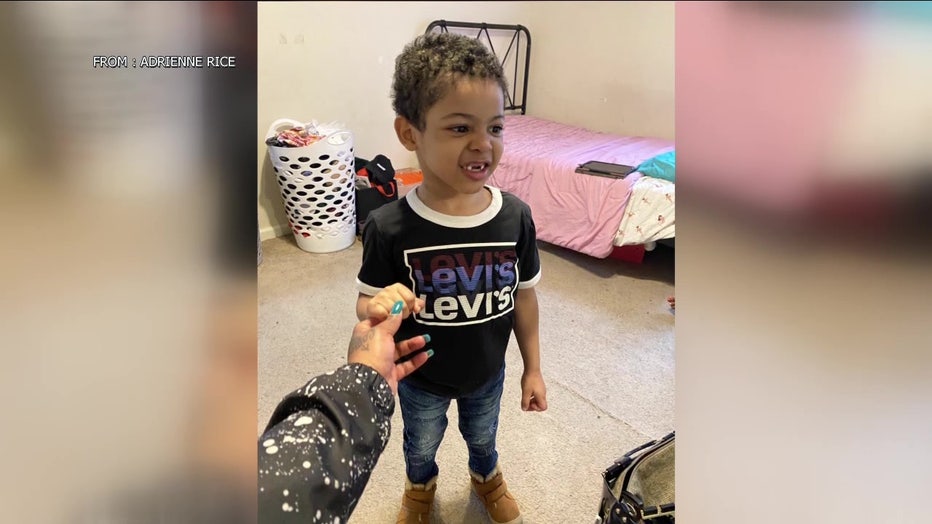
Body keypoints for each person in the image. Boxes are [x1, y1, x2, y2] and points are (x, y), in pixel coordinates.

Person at [355, 32, 548, 524]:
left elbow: (525, 298)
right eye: (460, 127)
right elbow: (368, 304)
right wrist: (380, 307)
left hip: (488, 372)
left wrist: (533, 368)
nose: (483, 144)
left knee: (483, 436)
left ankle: (487, 475)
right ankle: (420, 487)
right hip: (421, 377)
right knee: (420, 443)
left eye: (496, 127)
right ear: (409, 133)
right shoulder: (387, 226)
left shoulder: (516, 217)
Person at [258, 301, 433, 523]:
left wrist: (366, 382)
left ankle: (479, 473)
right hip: (421, 383)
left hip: (479, 378)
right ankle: (419, 486)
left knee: (476, 433)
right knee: (422, 443)